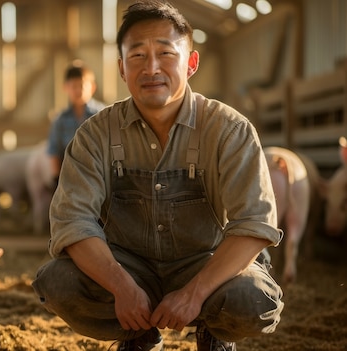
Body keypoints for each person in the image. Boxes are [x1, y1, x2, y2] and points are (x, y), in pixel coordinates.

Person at [32, 1, 284, 351]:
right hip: (129, 266)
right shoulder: (94, 135)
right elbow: (72, 222)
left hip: (206, 264)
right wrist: (121, 286)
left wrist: (194, 294)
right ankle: (137, 332)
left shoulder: (229, 131)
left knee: (253, 300)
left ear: (191, 63)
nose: (151, 68)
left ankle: (215, 331)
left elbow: (255, 224)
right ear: (121, 68)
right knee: (56, 282)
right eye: (137, 56)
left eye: (166, 53)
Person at [47, 60, 106, 185]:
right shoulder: (60, 120)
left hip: (99, 177)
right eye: (74, 86)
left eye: (82, 85)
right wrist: (56, 181)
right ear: (65, 88)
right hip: (70, 179)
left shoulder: (102, 115)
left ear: (92, 87)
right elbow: (54, 151)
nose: (78, 90)